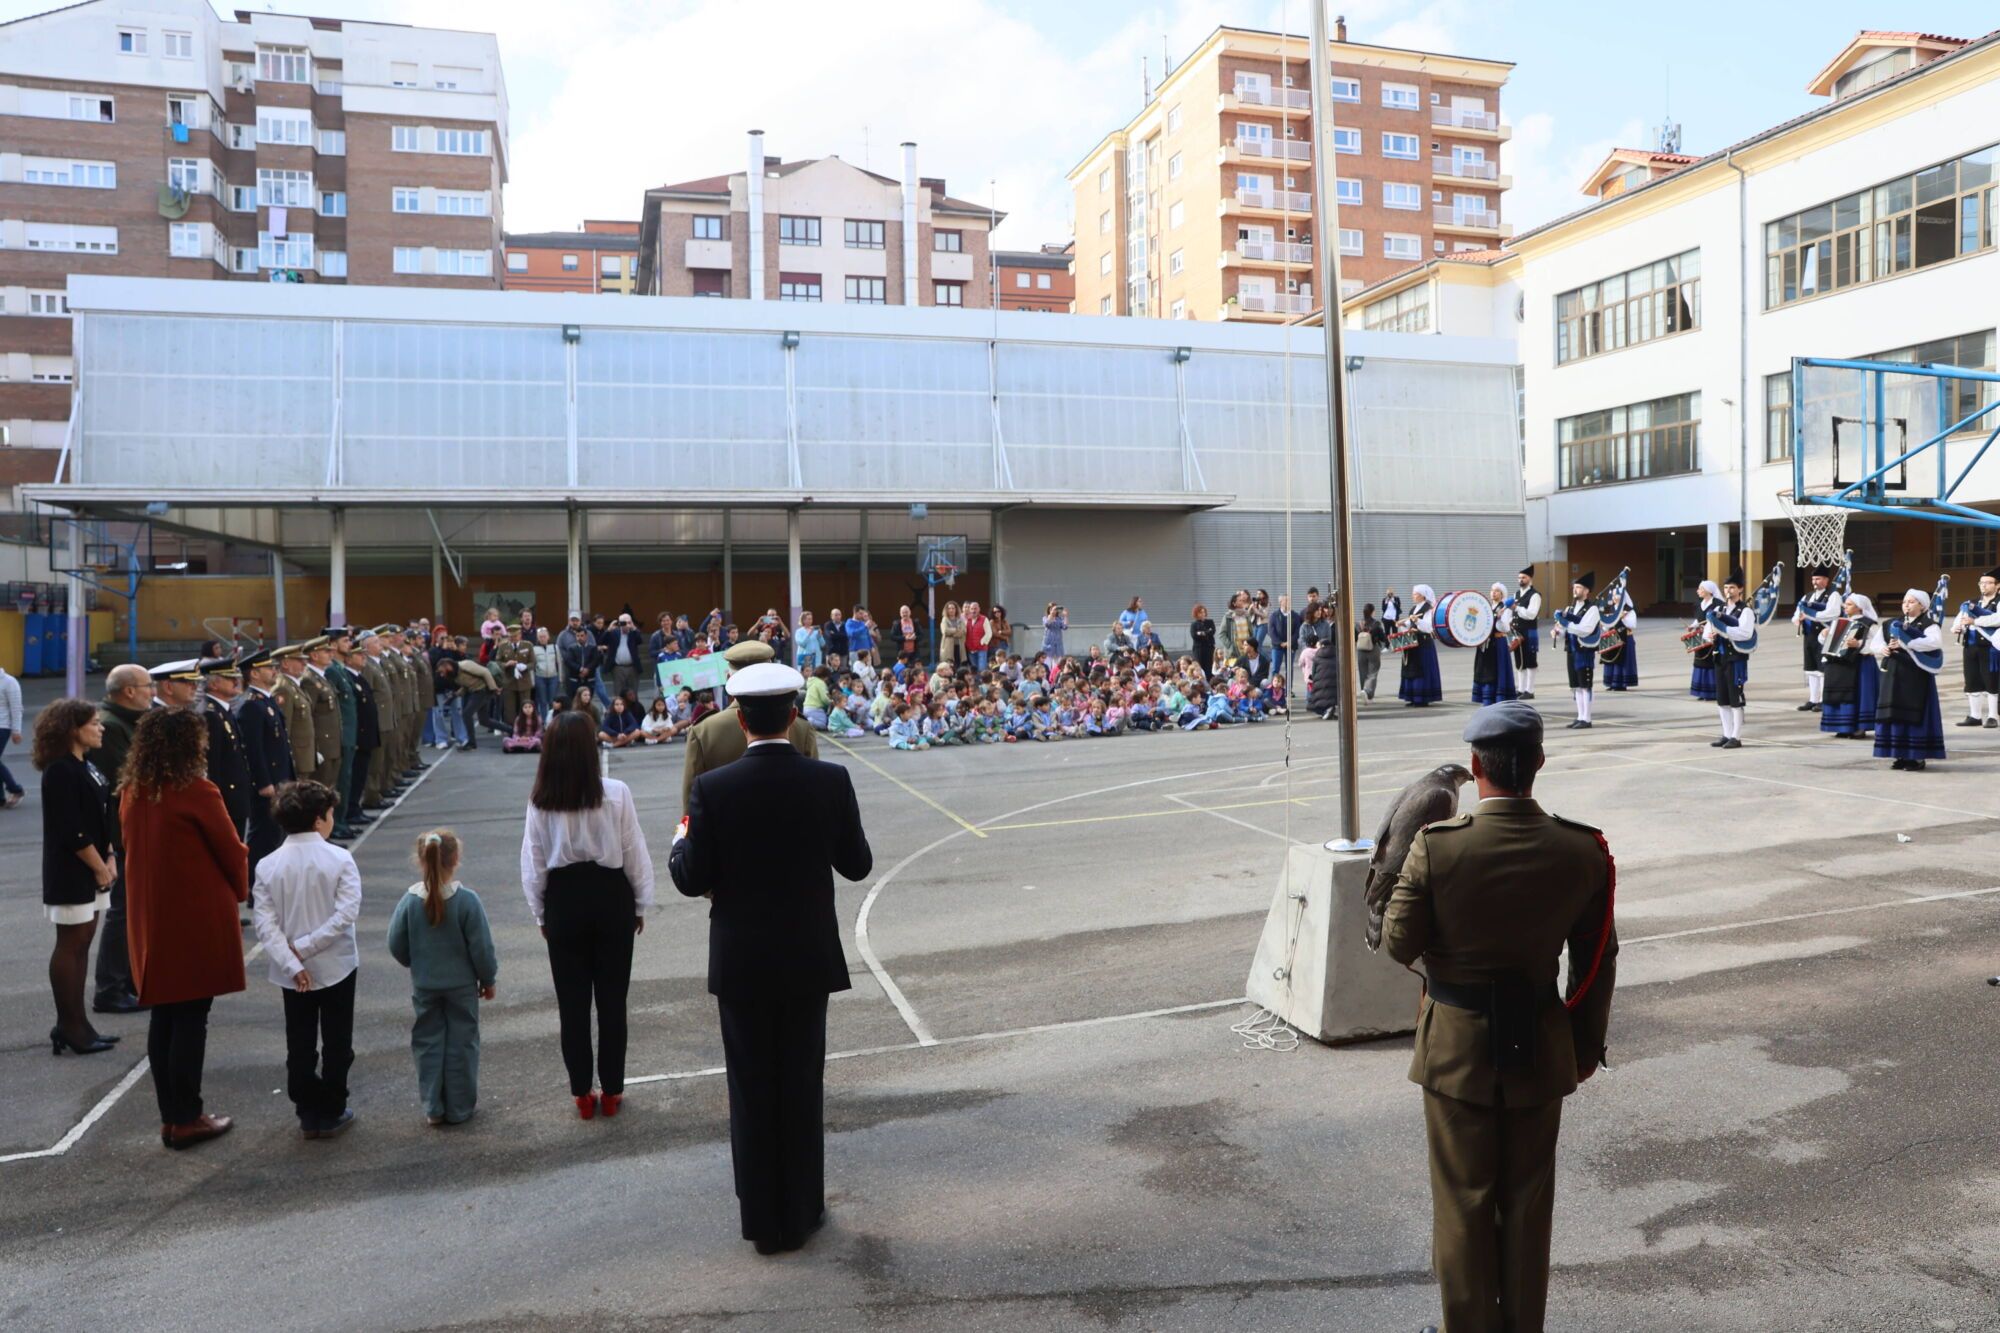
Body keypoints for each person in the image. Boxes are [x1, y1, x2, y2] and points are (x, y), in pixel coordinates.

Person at [1382, 701, 1617, 1333]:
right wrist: (1584, 1048)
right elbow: (1597, 960)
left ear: (1476, 767)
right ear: (1537, 763)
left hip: (1456, 1047)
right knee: (1526, 1207)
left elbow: (1396, 944)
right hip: (1542, 1045)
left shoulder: (1438, 848)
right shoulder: (1583, 850)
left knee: (1463, 1203)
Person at [668, 661, 874, 1256]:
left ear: (739, 715)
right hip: (807, 957)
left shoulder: (713, 788)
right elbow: (857, 864)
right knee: (802, 1086)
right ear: (792, 714)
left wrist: (682, 842)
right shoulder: (829, 779)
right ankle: (804, 1209)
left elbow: (690, 879)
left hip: (743, 963)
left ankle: (764, 1220)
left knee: (752, 1092)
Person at [121, 706, 249, 1150]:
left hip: (153, 916)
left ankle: (172, 1117)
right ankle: (188, 1116)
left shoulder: (135, 790)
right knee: (193, 1017)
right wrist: (240, 889)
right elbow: (231, 851)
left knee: (166, 1015)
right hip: (195, 914)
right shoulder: (197, 789)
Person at [521, 711, 654, 1119]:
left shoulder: (541, 799)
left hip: (564, 898)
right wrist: (640, 902)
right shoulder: (615, 792)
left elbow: (534, 861)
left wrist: (540, 912)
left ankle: (582, 1092)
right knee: (613, 1000)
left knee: (572, 1003)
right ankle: (612, 1089)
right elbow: (633, 850)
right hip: (610, 893)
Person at [251, 780, 361, 1139]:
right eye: (329, 814)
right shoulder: (340, 859)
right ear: (319, 820)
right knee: (337, 1041)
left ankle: (305, 1103)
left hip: (289, 972)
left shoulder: (267, 866)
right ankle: (332, 1106)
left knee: (299, 1041)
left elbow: (265, 925)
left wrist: (292, 960)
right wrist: (309, 946)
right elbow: (346, 914)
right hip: (336, 964)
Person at [390, 829, 498, 1126]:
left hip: (425, 984)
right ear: (456, 859)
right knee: (462, 1042)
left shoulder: (410, 900)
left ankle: (433, 1106)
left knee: (428, 1042)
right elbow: (482, 948)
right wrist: (487, 979)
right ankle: (459, 1106)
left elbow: (395, 943)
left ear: (421, 861)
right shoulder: (466, 901)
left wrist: (415, 962)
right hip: (461, 986)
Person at [38, 699, 118, 1055]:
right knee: (71, 944)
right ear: (73, 729)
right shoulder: (60, 770)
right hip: (73, 868)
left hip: (95, 864)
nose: (100, 728)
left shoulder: (87, 765)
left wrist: (111, 854)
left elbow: (102, 815)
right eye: (94, 724)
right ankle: (69, 1026)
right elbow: (69, 828)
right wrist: (99, 866)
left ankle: (79, 1023)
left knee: (84, 941)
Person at [680, 641, 821, 810]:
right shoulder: (801, 727)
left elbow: (691, 805)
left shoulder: (703, 731)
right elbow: (814, 792)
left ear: (728, 680)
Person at [90, 665, 152, 1013]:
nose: (150, 691)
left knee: (132, 909)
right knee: (123, 911)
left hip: (133, 829)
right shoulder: (113, 726)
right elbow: (125, 780)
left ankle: (128, 980)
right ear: (128, 690)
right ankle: (110, 989)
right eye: (146, 686)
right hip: (123, 832)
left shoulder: (131, 720)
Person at [235, 649, 295, 874]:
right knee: (263, 836)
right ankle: (254, 884)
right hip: (268, 783)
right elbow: (254, 749)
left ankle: (270, 880)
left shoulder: (266, 701)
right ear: (255, 674)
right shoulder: (251, 705)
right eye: (269, 668)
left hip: (279, 778)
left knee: (276, 834)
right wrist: (263, 782)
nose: (274, 671)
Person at [1876, 587, 1948, 772]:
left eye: (1911, 602)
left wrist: (1907, 644)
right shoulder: (1892, 623)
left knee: (1914, 715)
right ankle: (1900, 754)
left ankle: (1916, 757)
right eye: (1904, 602)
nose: (1906, 605)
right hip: (1894, 674)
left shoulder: (1928, 624)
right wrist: (1883, 649)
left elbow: (1934, 643)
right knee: (1895, 714)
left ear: (1922, 606)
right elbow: (1874, 643)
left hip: (1916, 675)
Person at [199, 656, 251, 835]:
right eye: (230, 678)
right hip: (226, 796)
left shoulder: (223, 710)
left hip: (236, 794)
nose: (236, 681)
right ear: (213, 684)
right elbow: (212, 763)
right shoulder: (210, 714)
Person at [1819, 593, 1881, 740]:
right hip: (1842, 665)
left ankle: (1859, 727)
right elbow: (1828, 643)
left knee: (1859, 695)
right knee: (1842, 694)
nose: (1845, 607)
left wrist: (1858, 644)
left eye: (1849, 604)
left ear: (1859, 608)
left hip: (1861, 664)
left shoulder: (1867, 624)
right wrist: (1824, 634)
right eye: (1845, 604)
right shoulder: (1840, 622)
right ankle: (1843, 726)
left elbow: (1875, 646)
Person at [1705, 571, 1756, 749]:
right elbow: (1708, 630)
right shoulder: (1719, 610)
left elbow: (1745, 633)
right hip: (1720, 657)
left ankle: (1736, 736)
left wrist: (1723, 631)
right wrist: (1710, 635)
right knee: (1722, 699)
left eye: (1732, 587)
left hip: (1736, 659)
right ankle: (1726, 734)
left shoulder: (1746, 611)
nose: (1728, 591)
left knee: (1736, 698)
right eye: (1726, 587)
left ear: (1740, 589)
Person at [1950, 566, 2000, 727]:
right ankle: (1975, 716)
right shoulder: (1971, 603)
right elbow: (1959, 620)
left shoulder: (1998, 602)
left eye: (1988, 583)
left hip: (1990, 649)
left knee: (1991, 681)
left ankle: (1993, 716)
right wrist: (1957, 628)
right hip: (1970, 647)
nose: (1983, 586)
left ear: (1997, 585)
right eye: (1981, 583)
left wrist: (1975, 621)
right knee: (1972, 680)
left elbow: (1997, 619)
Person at [1552, 574, 1601, 729]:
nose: (1575, 590)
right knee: (1576, 685)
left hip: (1584, 651)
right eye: (1574, 587)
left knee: (1585, 684)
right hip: (1571, 650)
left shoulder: (1592, 609)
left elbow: (1585, 630)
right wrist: (1557, 633)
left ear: (1586, 591)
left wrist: (1567, 624)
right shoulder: (1570, 609)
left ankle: (1587, 718)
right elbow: (1564, 629)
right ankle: (1580, 716)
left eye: (1578, 587)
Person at [341, 643, 380, 830]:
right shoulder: (348, 677)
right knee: (354, 776)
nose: (363, 657)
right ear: (348, 658)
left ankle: (355, 808)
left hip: (365, 737)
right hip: (357, 737)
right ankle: (351, 810)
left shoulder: (358, 677)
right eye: (359, 655)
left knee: (360, 775)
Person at [1795, 566, 1840, 715]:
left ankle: (1822, 699)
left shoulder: (1833, 595)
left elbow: (1832, 613)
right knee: (1811, 669)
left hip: (1824, 635)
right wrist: (1798, 619)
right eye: (1813, 579)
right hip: (1809, 636)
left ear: (1826, 580)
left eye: (1818, 578)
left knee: (1822, 669)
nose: (1815, 581)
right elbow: (1798, 613)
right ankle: (1813, 699)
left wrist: (1811, 615)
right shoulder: (1807, 597)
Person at [1470, 583, 1518, 706]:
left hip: (1497, 643)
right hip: (1485, 643)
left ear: (1502, 594)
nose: (1493, 593)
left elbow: (1505, 627)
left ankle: (1498, 698)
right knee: (1484, 670)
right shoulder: (1488, 607)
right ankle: (1486, 698)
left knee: (1495, 670)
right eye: (1492, 590)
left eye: (1497, 591)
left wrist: (1500, 618)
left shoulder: (1504, 608)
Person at [1397, 585, 1444, 708]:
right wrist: (1403, 624)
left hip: (1423, 643)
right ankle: (1412, 697)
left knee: (1421, 670)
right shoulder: (1414, 609)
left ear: (1423, 595)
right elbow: (1409, 623)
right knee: (1411, 669)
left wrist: (1417, 622)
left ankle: (1422, 698)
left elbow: (1429, 627)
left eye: (1416, 594)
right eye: (1413, 593)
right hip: (1413, 644)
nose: (1413, 596)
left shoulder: (1429, 609)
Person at [1510, 567, 1543, 700]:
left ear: (1530, 579)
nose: (1520, 580)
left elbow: (1531, 614)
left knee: (1530, 660)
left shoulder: (1535, 595)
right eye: (1519, 578)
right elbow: (1512, 612)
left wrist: (1517, 608)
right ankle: (1521, 689)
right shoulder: (1516, 594)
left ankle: (1530, 690)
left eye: (1523, 577)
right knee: (1519, 661)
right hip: (1517, 632)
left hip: (1529, 631)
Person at [1600, 584, 1639, 693]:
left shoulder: (1628, 610)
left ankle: (1621, 684)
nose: (1614, 598)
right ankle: (1611, 682)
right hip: (1612, 637)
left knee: (1622, 661)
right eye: (1613, 596)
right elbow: (1606, 625)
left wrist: (1621, 617)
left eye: (1616, 595)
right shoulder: (1610, 609)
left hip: (1625, 638)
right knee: (1611, 660)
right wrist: (1604, 623)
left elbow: (1632, 624)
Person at [0, 656, 23, 809]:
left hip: (2, 726)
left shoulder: (9, 682)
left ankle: (15, 789)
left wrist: (16, 730)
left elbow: (16, 707)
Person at [1355, 603, 1383, 702]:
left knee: (1363, 672)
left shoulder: (1358, 624)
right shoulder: (1376, 624)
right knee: (1373, 673)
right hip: (1373, 649)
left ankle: (1363, 690)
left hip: (1361, 651)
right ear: (1373, 612)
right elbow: (1382, 637)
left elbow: (1354, 638)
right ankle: (1368, 692)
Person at [1189, 603, 1216, 679]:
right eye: (1200, 612)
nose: (1203, 614)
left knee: (1209, 666)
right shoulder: (1194, 624)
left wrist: (1201, 633)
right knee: (1200, 665)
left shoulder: (1210, 622)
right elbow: (1194, 635)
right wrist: (1207, 632)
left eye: (1204, 612)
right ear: (1196, 614)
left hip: (1209, 647)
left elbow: (1212, 632)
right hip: (1199, 649)